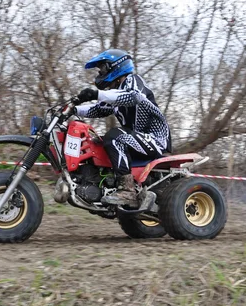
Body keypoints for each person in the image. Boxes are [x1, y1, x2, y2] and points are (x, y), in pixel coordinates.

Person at [73, 49, 172, 206]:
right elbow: (98, 109)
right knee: (98, 143)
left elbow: (133, 96)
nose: (100, 73)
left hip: (155, 139)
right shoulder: (116, 93)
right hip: (137, 139)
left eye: (103, 68)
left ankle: (127, 191)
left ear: (117, 66)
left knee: (114, 136)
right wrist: (72, 110)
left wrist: (97, 94)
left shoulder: (133, 81)